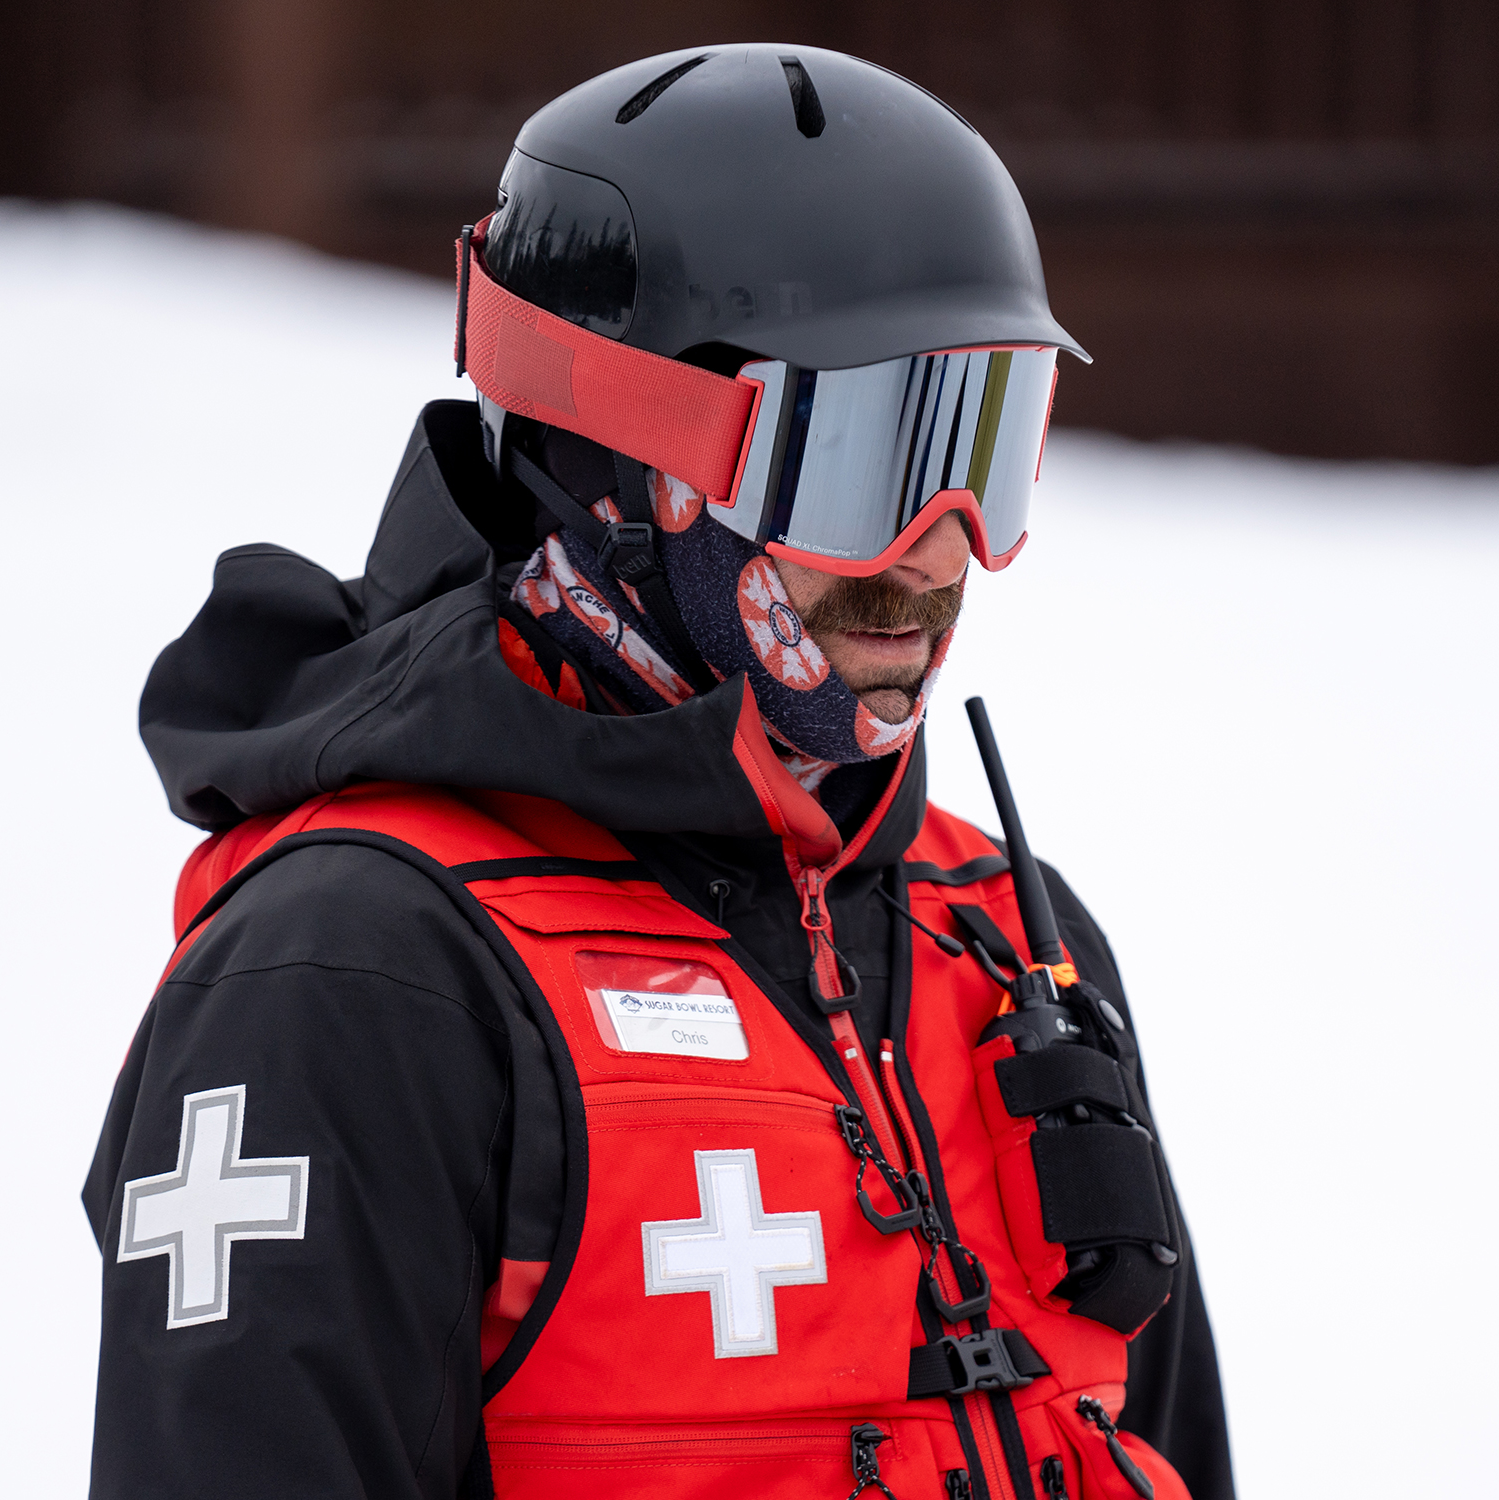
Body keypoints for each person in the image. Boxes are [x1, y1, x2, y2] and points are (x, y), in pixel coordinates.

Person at [85, 44, 1235, 1500]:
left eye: (988, 448)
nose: (943, 547)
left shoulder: (1007, 941)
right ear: (624, 457)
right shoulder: (358, 978)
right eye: (871, 455)